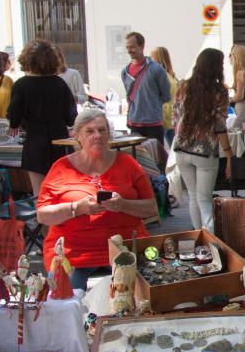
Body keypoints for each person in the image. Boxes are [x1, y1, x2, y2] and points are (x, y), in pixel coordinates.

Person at [36, 109, 157, 290]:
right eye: (90, 131)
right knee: (69, 299)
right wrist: (77, 208)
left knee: (140, 294)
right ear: (78, 136)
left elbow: (151, 208)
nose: (97, 136)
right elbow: (42, 216)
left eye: (102, 130)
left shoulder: (128, 163)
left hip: (125, 248)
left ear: (109, 134)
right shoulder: (61, 167)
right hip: (74, 252)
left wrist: (123, 205)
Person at [172, 48, 233, 232]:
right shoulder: (219, 92)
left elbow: (175, 116)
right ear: (216, 67)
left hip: (181, 148)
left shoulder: (183, 86)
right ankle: (211, 242)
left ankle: (199, 238)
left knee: (193, 196)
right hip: (205, 152)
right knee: (204, 198)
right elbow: (220, 126)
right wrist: (229, 155)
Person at [7, 38, 78, 195]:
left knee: (39, 193)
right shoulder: (59, 83)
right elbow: (71, 116)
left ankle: (42, 218)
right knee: (61, 190)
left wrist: (14, 124)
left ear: (26, 60)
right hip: (59, 138)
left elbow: (15, 113)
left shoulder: (21, 85)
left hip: (35, 140)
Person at [122, 32, 171, 148]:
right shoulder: (125, 72)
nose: (130, 50)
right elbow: (129, 96)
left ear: (142, 46)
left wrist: (152, 105)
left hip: (153, 123)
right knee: (138, 160)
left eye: (133, 47)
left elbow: (166, 95)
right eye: (127, 47)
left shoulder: (156, 69)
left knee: (156, 160)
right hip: (134, 123)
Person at [149, 46, 178, 148]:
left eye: (151, 57)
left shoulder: (161, 76)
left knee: (161, 151)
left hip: (163, 118)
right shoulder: (171, 76)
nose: (149, 60)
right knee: (174, 149)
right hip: (170, 117)